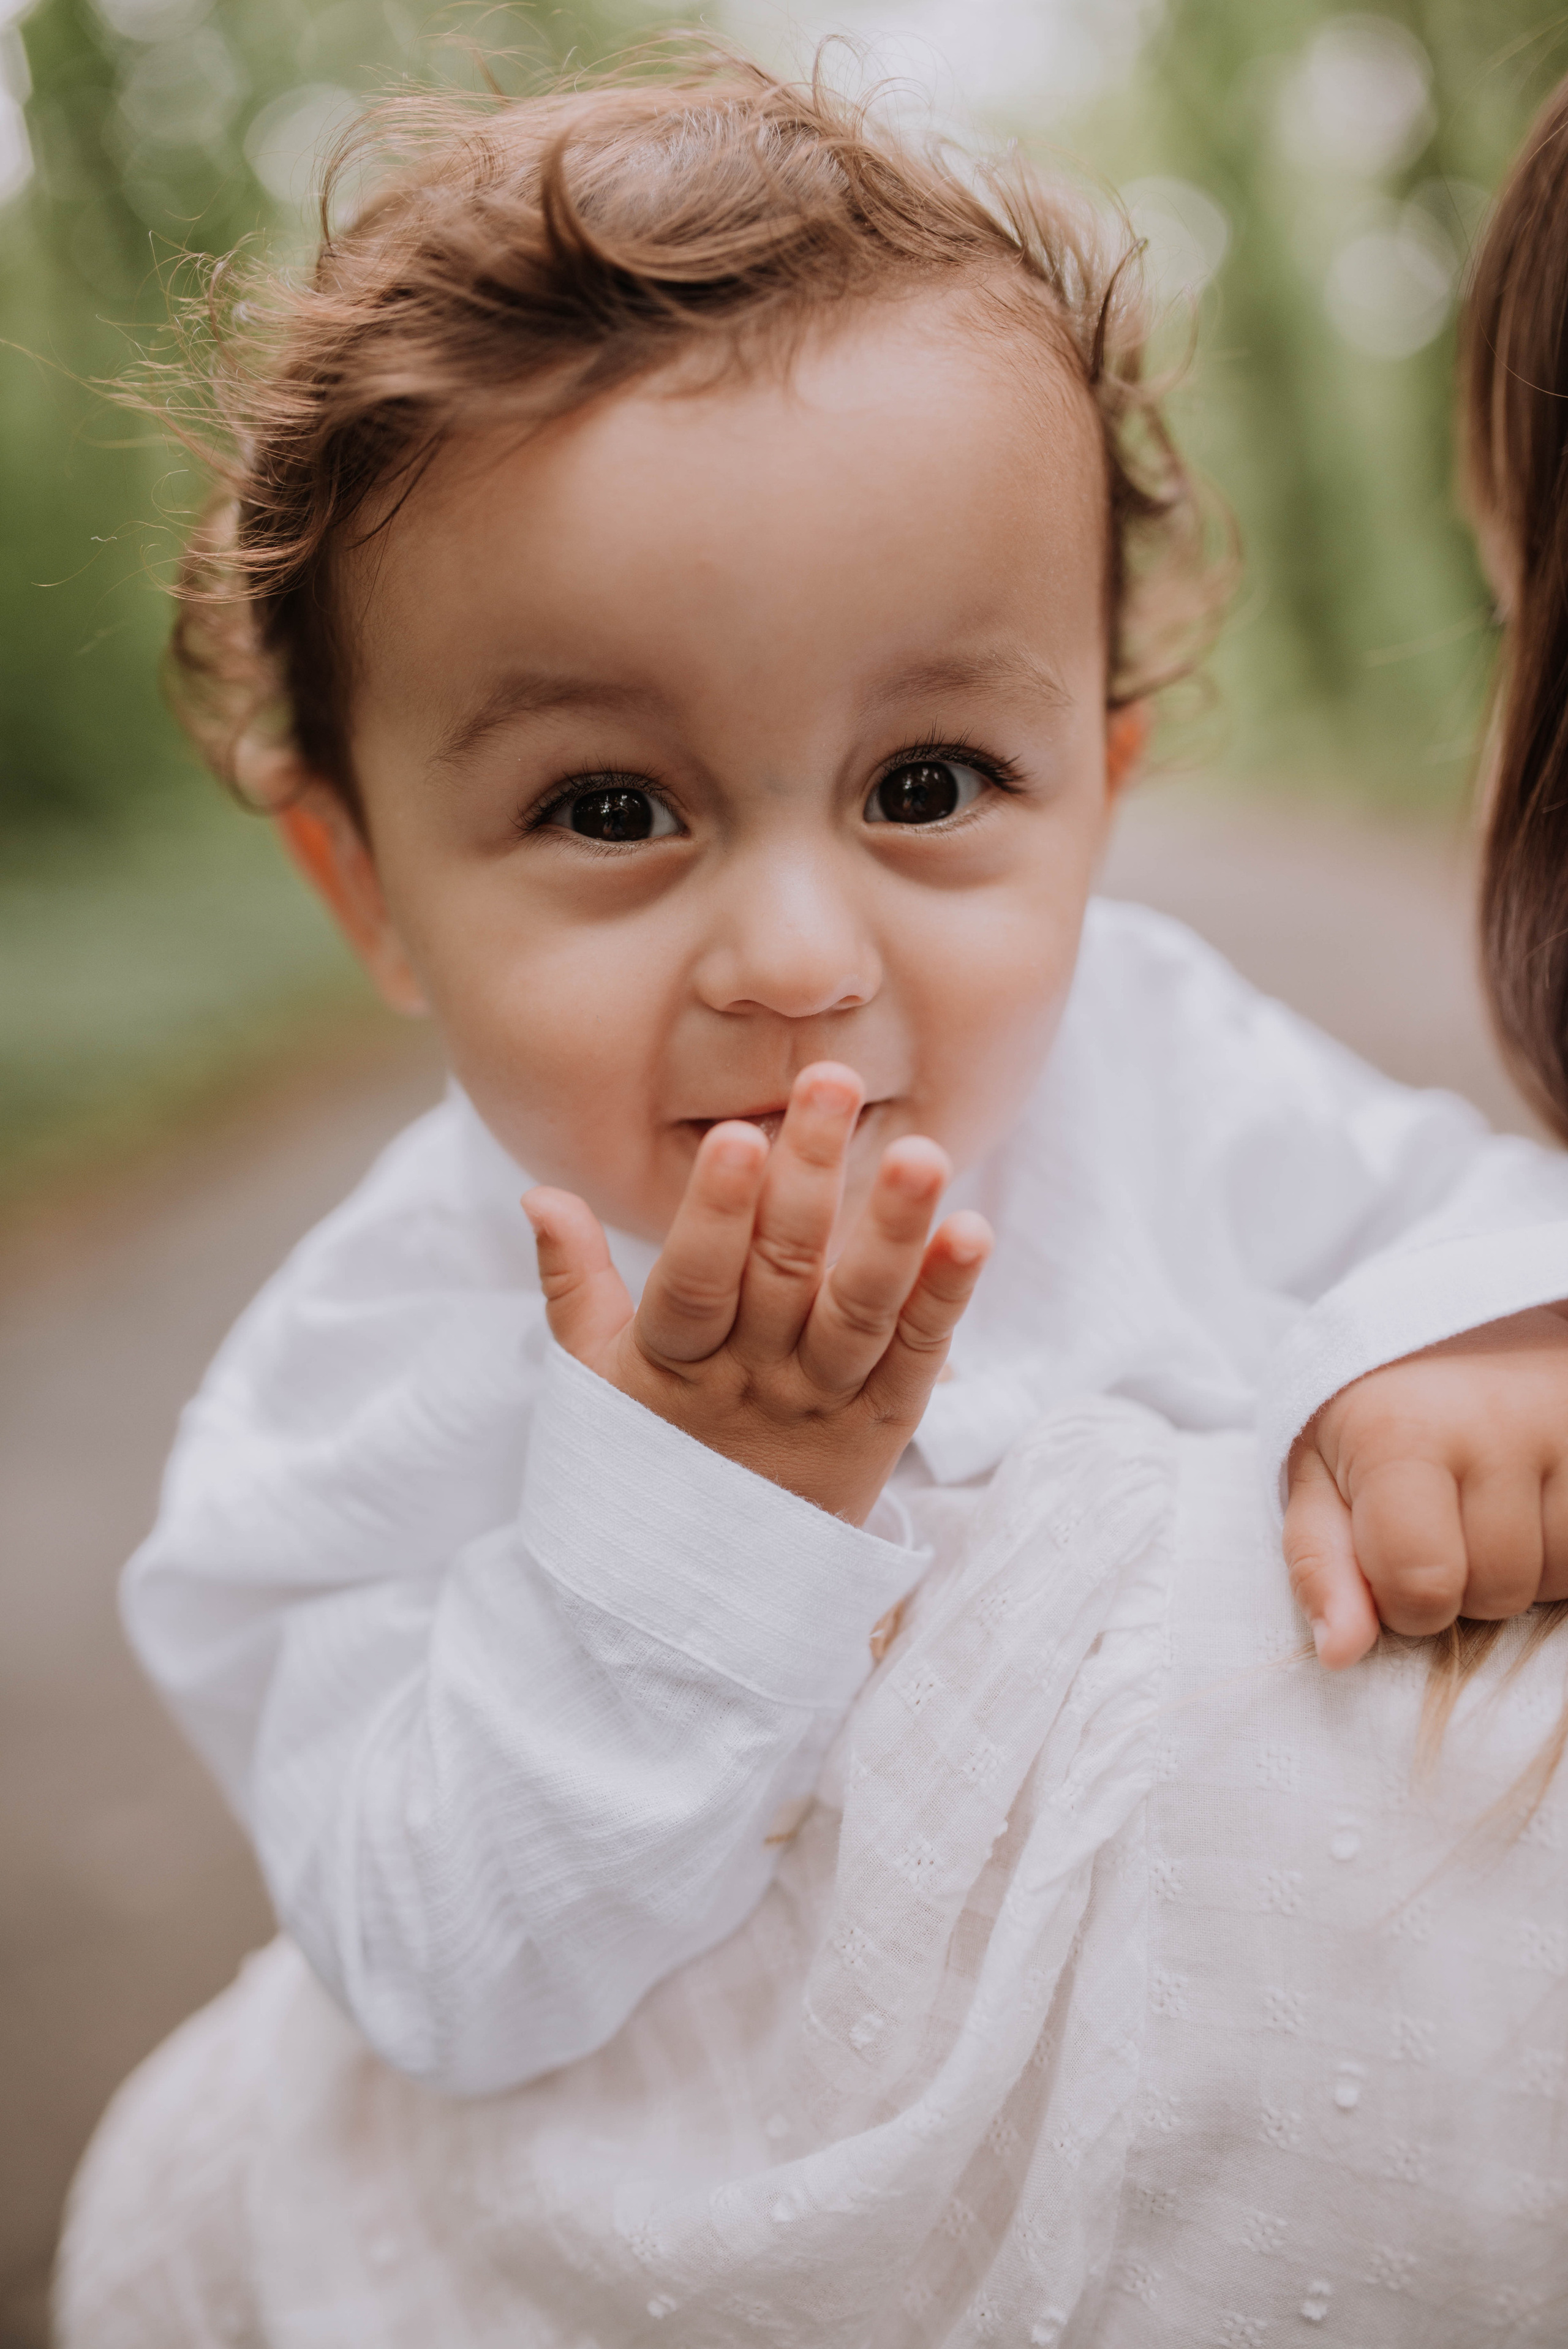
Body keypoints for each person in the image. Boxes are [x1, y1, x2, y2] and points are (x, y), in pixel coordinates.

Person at [50, 47, 1568, 2343]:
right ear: (363, 883)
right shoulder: (371, 1378)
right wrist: (688, 1525)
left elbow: (1466, 1212)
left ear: (1101, 787)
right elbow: (429, 1975)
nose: (793, 957)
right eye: (605, 808)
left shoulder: (1160, 1068)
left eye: (931, 779)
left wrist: (1445, 1348)